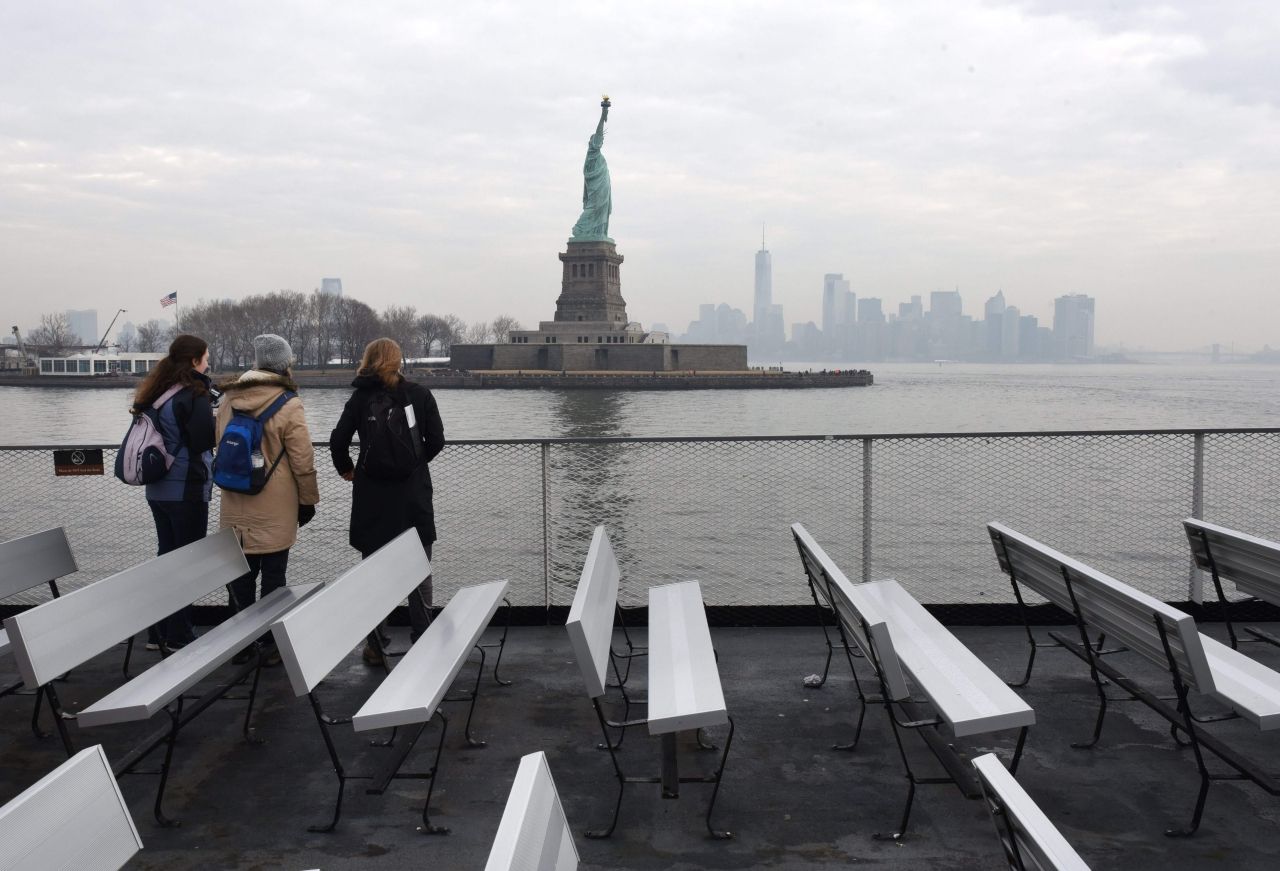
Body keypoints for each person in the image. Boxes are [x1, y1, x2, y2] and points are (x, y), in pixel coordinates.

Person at [330, 337, 445, 662]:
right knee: (420, 570)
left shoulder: (359, 398)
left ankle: (376, 645)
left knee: (375, 574)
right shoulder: (420, 394)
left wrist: (348, 470)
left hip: (372, 496)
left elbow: (337, 441)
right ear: (398, 361)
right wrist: (415, 463)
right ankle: (422, 639)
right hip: (413, 495)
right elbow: (437, 439)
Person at [216, 334, 319, 666]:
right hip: (275, 504)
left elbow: (220, 444)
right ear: (284, 364)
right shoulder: (289, 403)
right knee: (274, 576)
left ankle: (239, 644)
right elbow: (302, 460)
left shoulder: (228, 399)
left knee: (240, 573)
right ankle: (270, 643)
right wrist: (308, 501)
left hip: (234, 496)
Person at [132, 333, 216, 652]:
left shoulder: (157, 391)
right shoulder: (192, 394)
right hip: (186, 488)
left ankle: (159, 631)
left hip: (157, 489)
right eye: (206, 358)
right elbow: (201, 441)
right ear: (195, 361)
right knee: (186, 562)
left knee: (166, 556)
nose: (208, 364)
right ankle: (179, 634)